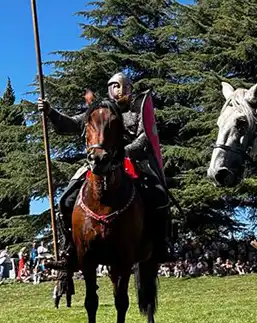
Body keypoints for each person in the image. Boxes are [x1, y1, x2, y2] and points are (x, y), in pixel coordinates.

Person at [37, 72, 170, 276]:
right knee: (66, 199)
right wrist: (50, 112)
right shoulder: (100, 110)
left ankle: (160, 245)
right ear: (110, 89)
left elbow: (145, 136)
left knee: (159, 196)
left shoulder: (137, 110)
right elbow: (71, 124)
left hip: (132, 163)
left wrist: (124, 152)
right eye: (117, 86)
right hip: (97, 163)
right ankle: (69, 250)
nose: (121, 90)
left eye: (125, 87)